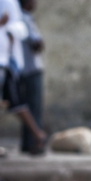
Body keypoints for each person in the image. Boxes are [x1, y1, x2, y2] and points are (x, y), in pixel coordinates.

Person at [0, 0, 46, 154]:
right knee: (24, 104)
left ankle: (34, 138)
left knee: (20, 104)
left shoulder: (18, 15)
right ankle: (36, 137)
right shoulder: (19, 15)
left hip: (12, 65)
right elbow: (36, 42)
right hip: (20, 67)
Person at [18, 0, 42, 153]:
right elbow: (36, 43)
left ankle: (28, 142)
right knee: (32, 107)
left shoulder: (21, 17)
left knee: (26, 105)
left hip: (24, 68)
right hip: (30, 68)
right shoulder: (23, 18)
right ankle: (35, 141)